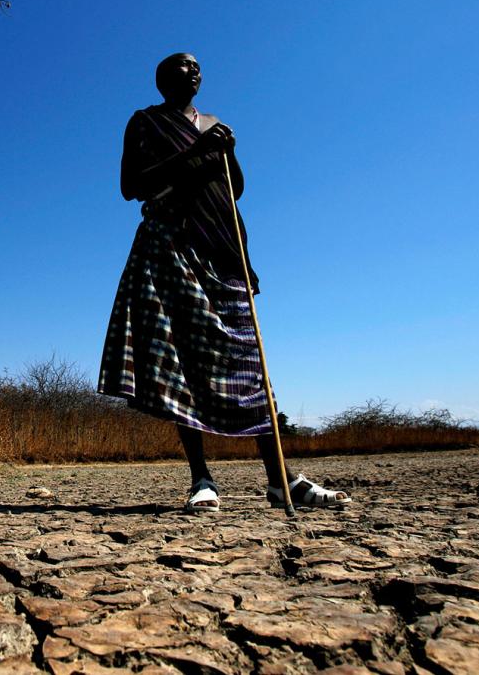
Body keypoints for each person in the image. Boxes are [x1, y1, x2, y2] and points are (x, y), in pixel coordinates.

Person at [98, 52, 351, 513]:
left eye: (197, 67)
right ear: (161, 79)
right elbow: (132, 185)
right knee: (184, 364)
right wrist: (197, 150)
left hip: (223, 247)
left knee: (250, 367)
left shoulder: (215, 122)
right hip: (170, 245)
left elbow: (232, 191)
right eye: (181, 67)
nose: (192, 72)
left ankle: (281, 482)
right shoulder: (145, 121)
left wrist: (227, 152)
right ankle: (201, 479)